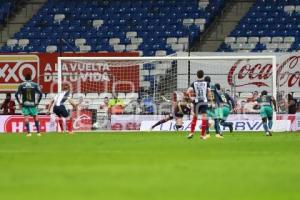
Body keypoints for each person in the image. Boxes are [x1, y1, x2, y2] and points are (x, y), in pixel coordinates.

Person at [187, 70, 211, 139]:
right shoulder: (206, 83)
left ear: (197, 75)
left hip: (197, 102)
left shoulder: (193, 83)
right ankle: (202, 135)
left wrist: (191, 98)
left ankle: (191, 133)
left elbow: (188, 91)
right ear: (203, 75)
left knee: (195, 117)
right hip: (204, 101)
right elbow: (209, 93)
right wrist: (210, 101)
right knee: (204, 118)